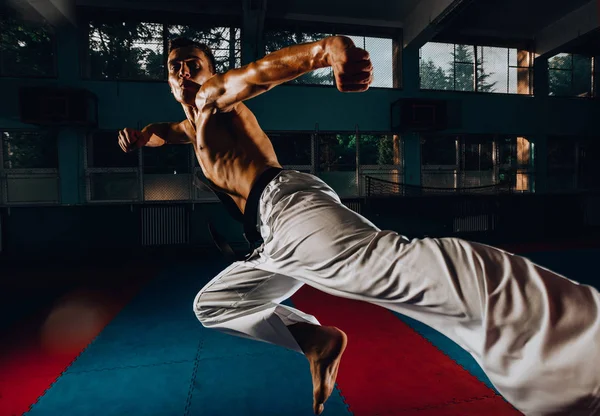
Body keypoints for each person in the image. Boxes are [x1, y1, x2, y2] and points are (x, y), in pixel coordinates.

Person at [118, 36, 600, 415]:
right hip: (268, 238)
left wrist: (330, 50)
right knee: (217, 304)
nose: (184, 71)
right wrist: (140, 137)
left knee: (399, 268)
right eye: (174, 66)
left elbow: (261, 74)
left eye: (192, 63)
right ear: (166, 78)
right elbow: (167, 132)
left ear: (208, 69)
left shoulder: (214, 95)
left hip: (288, 208)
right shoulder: (190, 122)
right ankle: (315, 339)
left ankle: (582, 342)